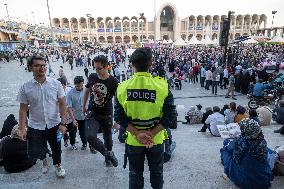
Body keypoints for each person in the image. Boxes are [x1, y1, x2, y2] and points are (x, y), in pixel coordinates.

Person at [114, 47, 176, 189]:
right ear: (151, 63)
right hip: (156, 140)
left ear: (132, 64)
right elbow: (170, 116)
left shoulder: (122, 88)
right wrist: (151, 134)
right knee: (157, 173)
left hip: (133, 141)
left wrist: (137, 134)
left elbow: (119, 117)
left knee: (135, 174)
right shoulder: (162, 86)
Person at [17, 56, 67, 178]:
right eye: (37, 65)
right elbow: (23, 109)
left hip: (54, 123)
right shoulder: (25, 87)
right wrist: (22, 128)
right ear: (30, 67)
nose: (42, 68)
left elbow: (62, 104)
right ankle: (44, 159)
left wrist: (63, 123)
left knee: (56, 148)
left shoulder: (56, 84)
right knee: (35, 150)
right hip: (35, 125)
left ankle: (58, 165)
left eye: (43, 65)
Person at [82, 55, 119, 167]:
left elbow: (118, 101)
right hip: (92, 112)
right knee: (90, 136)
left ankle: (108, 156)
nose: (97, 71)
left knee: (107, 137)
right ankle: (107, 154)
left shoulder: (113, 81)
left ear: (107, 67)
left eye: (99, 68)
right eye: (95, 68)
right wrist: (83, 105)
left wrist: (117, 120)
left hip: (107, 114)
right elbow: (87, 90)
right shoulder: (92, 77)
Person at [220, 118, 274, 189]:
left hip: (244, 182)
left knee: (224, 150)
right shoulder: (262, 142)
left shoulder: (240, 142)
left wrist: (229, 141)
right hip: (264, 182)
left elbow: (230, 148)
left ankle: (227, 171)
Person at [66, 76, 87, 150]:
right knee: (72, 131)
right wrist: (73, 119)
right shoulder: (70, 93)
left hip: (84, 115)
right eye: (77, 86)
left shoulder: (86, 90)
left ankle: (84, 144)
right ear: (74, 85)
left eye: (81, 85)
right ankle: (72, 144)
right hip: (74, 116)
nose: (80, 87)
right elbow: (69, 107)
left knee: (82, 131)